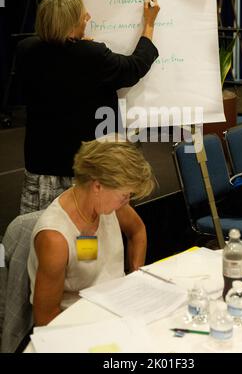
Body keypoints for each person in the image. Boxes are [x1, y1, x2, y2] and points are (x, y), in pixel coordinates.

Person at [18, 0, 160, 214]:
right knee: (85, 238)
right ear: (71, 22)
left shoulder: (26, 50)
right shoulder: (92, 55)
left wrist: (76, 44)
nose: (88, 17)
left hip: (41, 167)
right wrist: (149, 23)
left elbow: (58, 62)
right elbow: (134, 67)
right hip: (85, 170)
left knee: (43, 234)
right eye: (83, 15)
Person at [27, 137, 156, 326]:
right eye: (124, 195)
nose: (127, 201)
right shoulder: (55, 238)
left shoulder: (110, 205)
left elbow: (137, 231)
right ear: (97, 186)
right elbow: (45, 318)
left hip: (117, 310)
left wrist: (134, 278)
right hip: (77, 324)